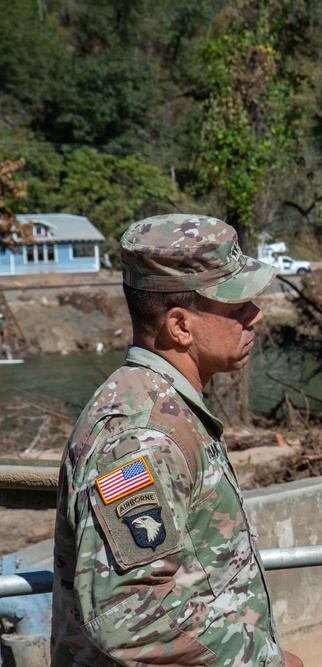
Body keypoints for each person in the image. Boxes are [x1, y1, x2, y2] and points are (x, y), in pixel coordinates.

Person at [51, 214, 303, 667]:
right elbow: (127, 615)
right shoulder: (140, 435)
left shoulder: (166, 407)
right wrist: (266, 661)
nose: (255, 314)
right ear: (180, 326)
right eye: (237, 306)